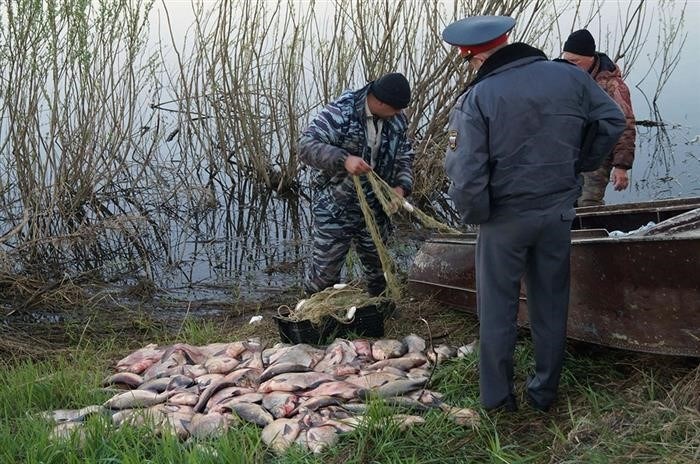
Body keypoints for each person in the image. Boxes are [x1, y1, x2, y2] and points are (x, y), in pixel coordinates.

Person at [442, 16, 625, 412]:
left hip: (504, 219)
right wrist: (577, 164)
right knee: (551, 303)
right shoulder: (570, 78)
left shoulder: (478, 97)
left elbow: (467, 172)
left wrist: (479, 215)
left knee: (497, 311)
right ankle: (544, 393)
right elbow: (612, 121)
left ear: (472, 56)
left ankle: (498, 401)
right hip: (557, 211)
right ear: (509, 40)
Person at [298, 73, 414, 297]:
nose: (400, 114)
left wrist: (401, 187)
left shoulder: (397, 119)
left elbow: (404, 155)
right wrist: (344, 159)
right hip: (336, 206)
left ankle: (381, 312)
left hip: (376, 208)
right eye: (396, 109)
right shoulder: (340, 113)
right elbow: (305, 146)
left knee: (380, 269)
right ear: (380, 102)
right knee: (324, 274)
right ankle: (314, 320)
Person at [562, 29, 637, 206]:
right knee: (564, 201)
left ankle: (594, 231)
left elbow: (625, 124)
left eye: (575, 61)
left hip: (599, 153)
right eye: (566, 61)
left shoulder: (613, 86)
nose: (569, 66)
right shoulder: (566, 78)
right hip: (569, 152)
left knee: (588, 201)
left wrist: (621, 166)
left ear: (590, 58)